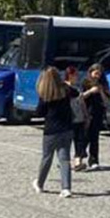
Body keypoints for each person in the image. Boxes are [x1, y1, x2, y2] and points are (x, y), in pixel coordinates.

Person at [34, 66, 77, 197]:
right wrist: (65, 84)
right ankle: (66, 188)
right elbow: (76, 93)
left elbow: (39, 112)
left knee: (47, 157)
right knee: (64, 159)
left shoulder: (45, 94)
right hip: (67, 128)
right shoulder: (65, 90)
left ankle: (40, 184)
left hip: (51, 130)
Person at [77, 63, 110, 171]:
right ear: (91, 73)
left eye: (99, 74)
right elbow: (80, 97)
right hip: (86, 112)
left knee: (94, 138)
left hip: (97, 113)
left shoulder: (103, 84)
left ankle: (94, 160)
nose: (97, 76)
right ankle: (79, 157)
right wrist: (90, 91)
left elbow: (106, 102)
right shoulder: (85, 83)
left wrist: (101, 92)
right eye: (96, 73)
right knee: (84, 136)